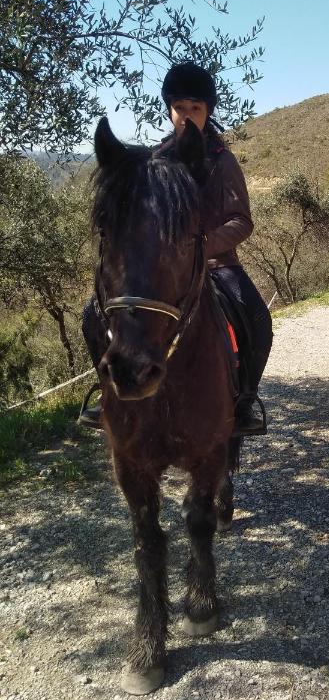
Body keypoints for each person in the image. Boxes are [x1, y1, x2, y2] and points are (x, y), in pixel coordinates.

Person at [80, 62, 272, 436]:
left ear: (208, 111)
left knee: (259, 322)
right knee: (92, 315)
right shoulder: (156, 160)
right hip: (162, 267)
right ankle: (108, 393)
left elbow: (240, 221)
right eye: (180, 108)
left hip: (216, 265)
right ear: (169, 109)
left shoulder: (222, 161)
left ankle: (245, 399)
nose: (186, 117)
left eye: (195, 109)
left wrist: (200, 246)